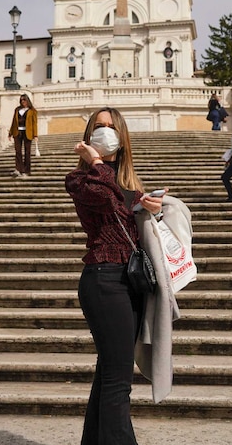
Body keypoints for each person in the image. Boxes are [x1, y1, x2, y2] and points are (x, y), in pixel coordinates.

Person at [65, 107, 164, 445]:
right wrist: (94, 161)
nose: (104, 132)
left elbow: (127, 208)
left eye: (110, 127)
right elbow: (108, 201)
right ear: (89, 134)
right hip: (103, 280)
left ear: (121, 138)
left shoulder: (128, 185)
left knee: (108, 375)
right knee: (119, 382)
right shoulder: (80, 179)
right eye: (98, 127)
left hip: (131, 280)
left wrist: (153, 207)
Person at [8, 93, 38, 177]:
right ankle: (18, 169)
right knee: (18, 151)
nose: (23, 101)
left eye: (24, 100)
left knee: (27, 152)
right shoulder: (17, 110)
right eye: (21, 100)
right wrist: (10, 133)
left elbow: (34, 123)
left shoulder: (32, 111)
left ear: (27, 100)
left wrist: (35, 135)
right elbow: (14, 122)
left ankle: (26, 170)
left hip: (27, 132)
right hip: (17, 132)